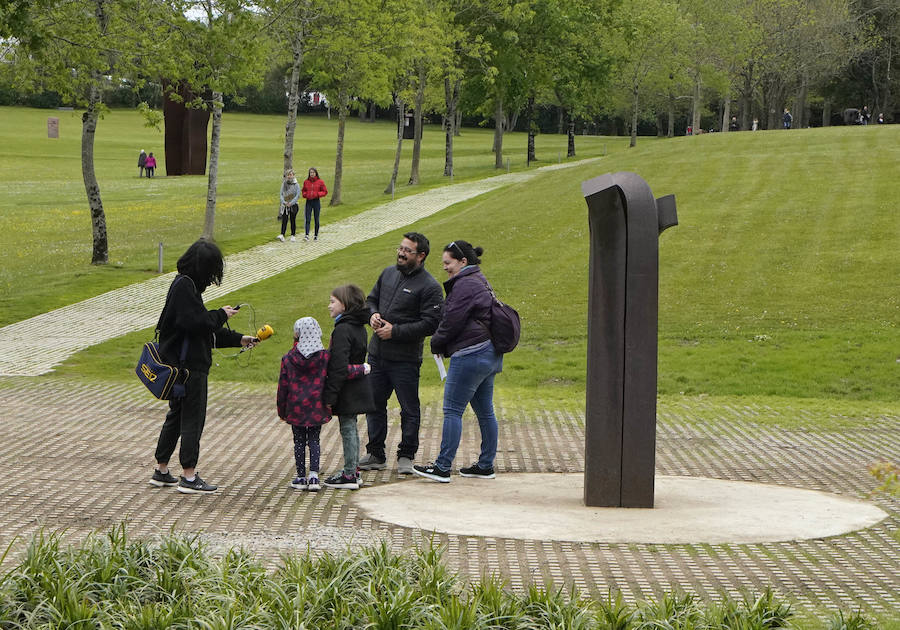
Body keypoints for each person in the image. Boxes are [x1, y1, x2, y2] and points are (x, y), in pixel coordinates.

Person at [149, 240, 257, 494]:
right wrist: (221, 314)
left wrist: (238, 339)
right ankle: (188, 475)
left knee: (176, 418)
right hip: (189, 369)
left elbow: (202, 331)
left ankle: (162, 469)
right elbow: (197, 323)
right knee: (192, 420)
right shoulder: (185, 287)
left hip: (179, 367)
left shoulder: (183, 286)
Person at [413, 240, 504, 483]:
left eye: (447, 263)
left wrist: (435, 344)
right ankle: (485, 465)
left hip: (471, 354)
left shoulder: (464, 284)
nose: (444, 267)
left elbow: (451, 320)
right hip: (489, 353)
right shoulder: (479, 279)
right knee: (485, 411)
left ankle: (442, 467)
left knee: (452, 410)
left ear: (463, 262)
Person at [360, 232, 443, 475]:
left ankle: (406, 455)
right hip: (376, 355)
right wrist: (372, 315)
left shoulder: (430, 287)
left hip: (405, 360)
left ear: (421, 255)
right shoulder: (387, 273)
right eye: (401, 248)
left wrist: (395, 332)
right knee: (374, 404)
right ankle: (375, 453)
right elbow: (370, 300)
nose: (401, 253)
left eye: (407, 250)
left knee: (409, 408)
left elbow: (431, 324)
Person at [277, 317, 369, 492]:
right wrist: (362, 368)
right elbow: (341, 371)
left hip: (296, 408)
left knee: (299, 442)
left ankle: (301, 476)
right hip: (316, 407)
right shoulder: (325, 357)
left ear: (297, 334)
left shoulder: (288, 359)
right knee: (314, 440)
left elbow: (283, 387)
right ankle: (314, 476)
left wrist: (282, 411)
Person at [322, 284, 376, 490]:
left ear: (344, 305)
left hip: (347, 389)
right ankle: (352, 470)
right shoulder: (358, 326)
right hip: (356, 386)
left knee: (348, 428)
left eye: (332, 301)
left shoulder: (343, 329)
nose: (329, 306)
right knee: (350, 427)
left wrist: (330, 396)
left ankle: (350, 473)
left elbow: (338, 367)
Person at [301, 167, 327, 241]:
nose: (312, 174)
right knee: (308, 218)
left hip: (316, 201)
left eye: (313, 172)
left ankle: (316, 235)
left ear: (316, 173)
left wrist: (318, 194)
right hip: (308, 202)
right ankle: (306, 235)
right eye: (310, 172)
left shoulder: (320, 182)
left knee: (316, 219)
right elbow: (303, 191)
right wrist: (306, 195)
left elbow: (325, 191)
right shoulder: (306, 182)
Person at [278, 169, 301, 242]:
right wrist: (284, 202)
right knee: (284, 219)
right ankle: (282, 234)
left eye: (291, 174)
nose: (289, 176)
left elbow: (297, 195)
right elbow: (281, 194)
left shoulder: (296, 184)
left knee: (292, 219)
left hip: (293, 205)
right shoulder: (284, 184)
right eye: (288, 175)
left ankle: (293, 235)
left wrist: (291, 203)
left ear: (293, 175)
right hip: (285, 205)